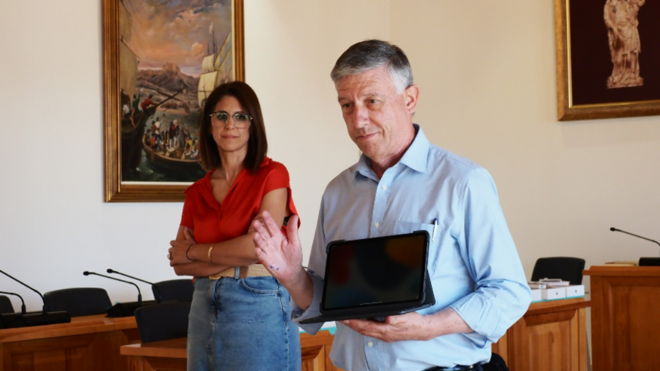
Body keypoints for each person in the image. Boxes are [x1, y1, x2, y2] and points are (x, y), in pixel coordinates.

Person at [251, 40, 531, 371]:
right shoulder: (337, 193)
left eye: (372, 101)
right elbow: (329, 300)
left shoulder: (464, 182)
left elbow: (509, 292)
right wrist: (292, 275)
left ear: (410, 99)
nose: (358, 120)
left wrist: (429, 328)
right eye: (346, 105)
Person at [167, 81, 301, 371]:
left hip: (257, 298)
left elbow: (257, 248)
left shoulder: (273, 175)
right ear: (209, 125)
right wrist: (204, 256)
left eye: (241, 116)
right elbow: (179, 261)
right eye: (221, 116)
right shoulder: (196, 192)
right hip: (203, 303)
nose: (231, 124)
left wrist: (197, 252)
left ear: (253, 125)